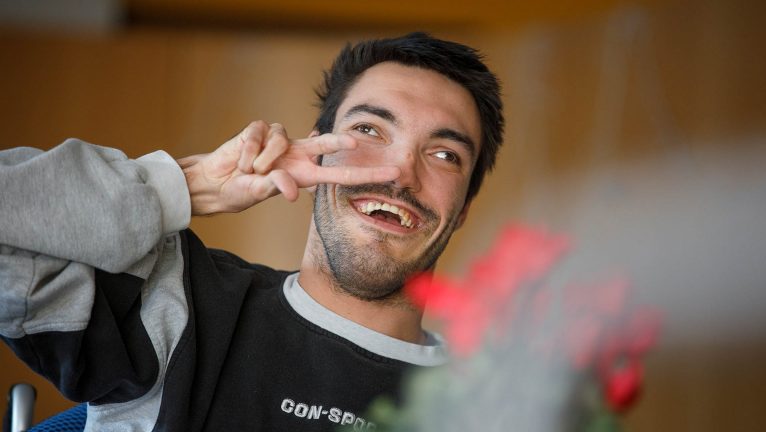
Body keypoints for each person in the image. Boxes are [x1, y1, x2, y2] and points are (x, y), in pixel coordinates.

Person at [0, 32, 504, 431]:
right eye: (369, 130)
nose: (399, 173)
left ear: (463, 207)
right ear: (316, 153)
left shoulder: (502, 406)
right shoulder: (178, 300)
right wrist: (184, 186)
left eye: (445, 154)